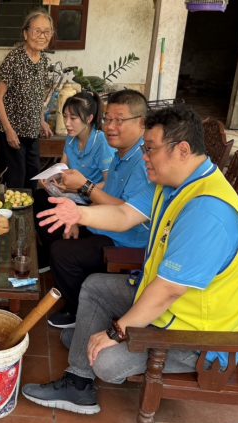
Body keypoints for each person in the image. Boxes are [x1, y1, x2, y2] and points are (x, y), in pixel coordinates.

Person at [22, 105, 238, 414]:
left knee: (106, 362)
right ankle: (78, 382)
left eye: (150, 149)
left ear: (182, 150)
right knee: (95, 286)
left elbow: (169, 290)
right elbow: (124, 215)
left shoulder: (207, 211)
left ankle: (89, 349)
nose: (144, 156)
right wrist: (79, 213)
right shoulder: (175, 183)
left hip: (198, 338)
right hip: (169, 307)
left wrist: (116, 332)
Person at [45, 90, 155, 329]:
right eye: (108, 119)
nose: (110, 127)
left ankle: (79, 311)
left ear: (142, 123)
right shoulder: (121, 153)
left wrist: (84, 188)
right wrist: (79, 217)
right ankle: (73, 292)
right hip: (106, 225)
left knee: (63, 252)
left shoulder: (144, 162)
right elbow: (108, 197)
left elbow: (126, 213)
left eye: (119, 120)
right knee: (55, 226)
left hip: (125, 241)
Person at [33, 90, 114, 268]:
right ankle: (48, 252)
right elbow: (63, 167)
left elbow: (109, 184)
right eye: (65, 117)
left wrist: (78, 188)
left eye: (73, 118)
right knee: (39, 197)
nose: (67, 123)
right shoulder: (71, 139)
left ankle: (58, 253)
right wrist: (50, 180)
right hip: (72, 193)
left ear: (89, 118)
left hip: (91, 198)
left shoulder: (102, 142)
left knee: (52, 210)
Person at [0, 9, 54, 189]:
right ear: (26, 33)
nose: (42, 36)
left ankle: (29, 208)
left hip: (32, 131)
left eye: (47, 31)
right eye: (37, 31)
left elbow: (37, 97)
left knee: (33, 178)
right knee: (15, 181)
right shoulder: (13, 59)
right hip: (12, 130)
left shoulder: (44, 61)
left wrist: (41, 121)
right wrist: (9, 131)